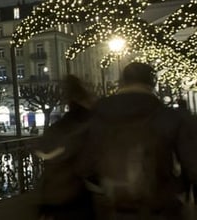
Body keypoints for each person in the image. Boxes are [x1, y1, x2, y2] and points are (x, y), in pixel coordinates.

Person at [78, 62, 197, 219]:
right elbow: (192, 166)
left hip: (113, 209)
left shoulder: (98, 116)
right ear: (152, 83)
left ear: (122, 82)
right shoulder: (167, 116)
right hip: (160, 209)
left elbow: (85, 166)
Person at [35, 74, 96, 220]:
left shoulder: (58, 127)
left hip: (55, 197)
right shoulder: (89, 123)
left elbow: (45, 153)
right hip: (77, 196)